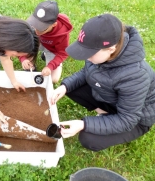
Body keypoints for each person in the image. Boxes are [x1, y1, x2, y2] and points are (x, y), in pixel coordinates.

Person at [50, 14, 155, 151]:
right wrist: (65, 87)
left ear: (111, 49)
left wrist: (83, 124)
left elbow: (127, 119)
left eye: (89, 53)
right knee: (72, 88)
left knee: (89, 138)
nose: (86, 57)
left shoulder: (135, 75)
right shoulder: (99, 53)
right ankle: (106, 115)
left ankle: (108, 119)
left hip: (135, 119)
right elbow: (86, 73)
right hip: (114, 100)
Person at [20, 0, 73, 83]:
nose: (37, 31)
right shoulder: (31, 25)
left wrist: (50, 66)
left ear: (54, 24)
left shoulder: (62, 33)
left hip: (52, 49)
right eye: (35, 25)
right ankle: (32, 64)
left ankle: (46, 55)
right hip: (36, 44)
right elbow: (19, 43)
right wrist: (23, 58)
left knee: (53, 79)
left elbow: (63, 53)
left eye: (41, 28)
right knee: (27, 64)